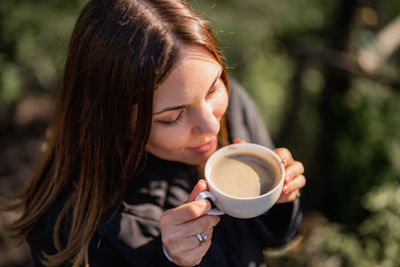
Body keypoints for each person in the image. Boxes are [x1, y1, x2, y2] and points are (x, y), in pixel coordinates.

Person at [6, 0, 306, 266]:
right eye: (173, 117)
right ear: (110, 122)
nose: (212, 125)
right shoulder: (64, 229)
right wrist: (167, 260)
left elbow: (276, 238)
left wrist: (280, 200)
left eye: (213, 87)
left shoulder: (232, 107)